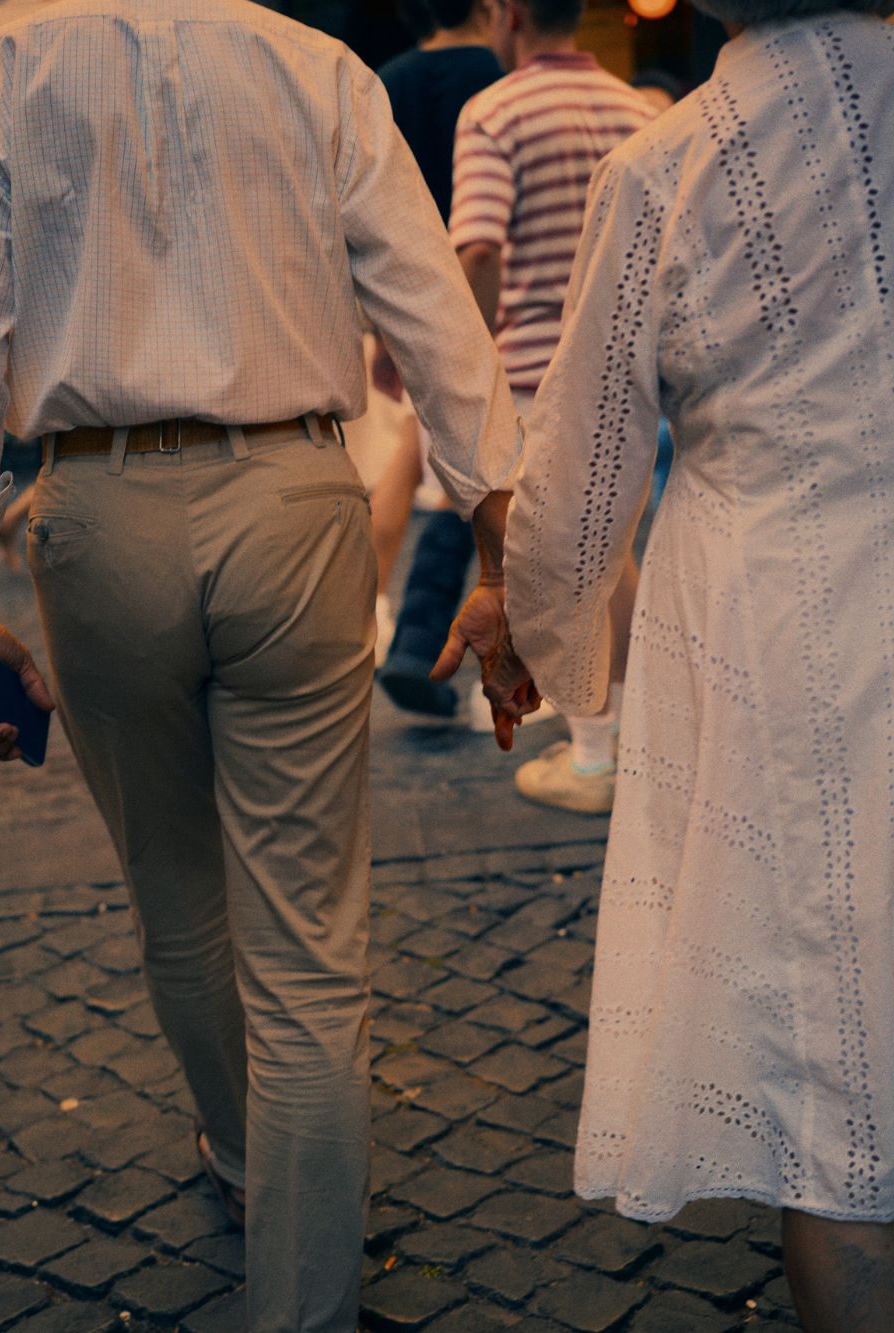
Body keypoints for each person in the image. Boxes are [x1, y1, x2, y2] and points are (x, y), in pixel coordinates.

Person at [0, 1, 520, 1326]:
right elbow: (440, 326)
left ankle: (246, 1159)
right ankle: (304, 1285)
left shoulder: (6, 72)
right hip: (294, 489)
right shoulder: (320, 68)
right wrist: (504, 556)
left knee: (178, 902)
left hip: (97, 510)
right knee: (307, 950)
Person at [450, 3, 894, 1326]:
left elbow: (587, 465)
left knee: (830, 1033)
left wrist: (532, 626)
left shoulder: (676, 155)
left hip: (777, 604)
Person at [446, 0, 651, 810]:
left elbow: (482, 243)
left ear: (508, 14)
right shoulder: (635, 111)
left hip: (532, 373)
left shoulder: (494, 112)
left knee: (552, 562)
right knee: (615, 558)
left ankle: (596, 752)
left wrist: (468, 358)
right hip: (623, 373)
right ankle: (626, 738)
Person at [368, 0, 508, 715]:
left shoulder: (385, 82)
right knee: (480, 485)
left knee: (430, 477)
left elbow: (370, 210)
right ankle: (432, 645)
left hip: (411, 307)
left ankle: (406, 634)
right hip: (501, 309)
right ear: (489, 9)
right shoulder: (498, 73)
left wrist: (384, 328)